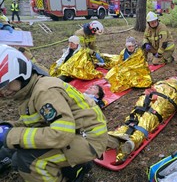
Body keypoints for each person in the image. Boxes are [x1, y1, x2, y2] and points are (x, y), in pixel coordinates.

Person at [0, 44, 108, 181]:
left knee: (28, 161)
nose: (3, 92)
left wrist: (11, 136)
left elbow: (62, 134)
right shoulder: (28, 91)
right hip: (76, 133)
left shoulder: (44, 91)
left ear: (20, 74)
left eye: (5, 85)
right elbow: (36, 122)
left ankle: (72, 170)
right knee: (16, 157)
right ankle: (73, 169)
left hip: (89, 139)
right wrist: (9, 127)